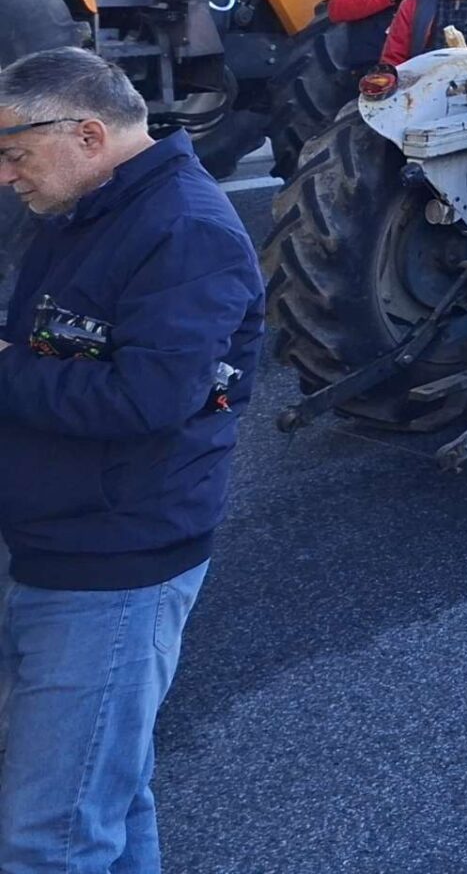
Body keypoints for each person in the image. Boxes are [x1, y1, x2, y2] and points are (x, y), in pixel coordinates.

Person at [0, 49, 263, 874]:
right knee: (105, 792)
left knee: (50, 838)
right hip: (64, 538)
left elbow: (146, 400)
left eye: (14, 153)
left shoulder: (185, 230)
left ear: (86, 135)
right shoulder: (87, 210)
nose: (6, 175)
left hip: (113, 563)